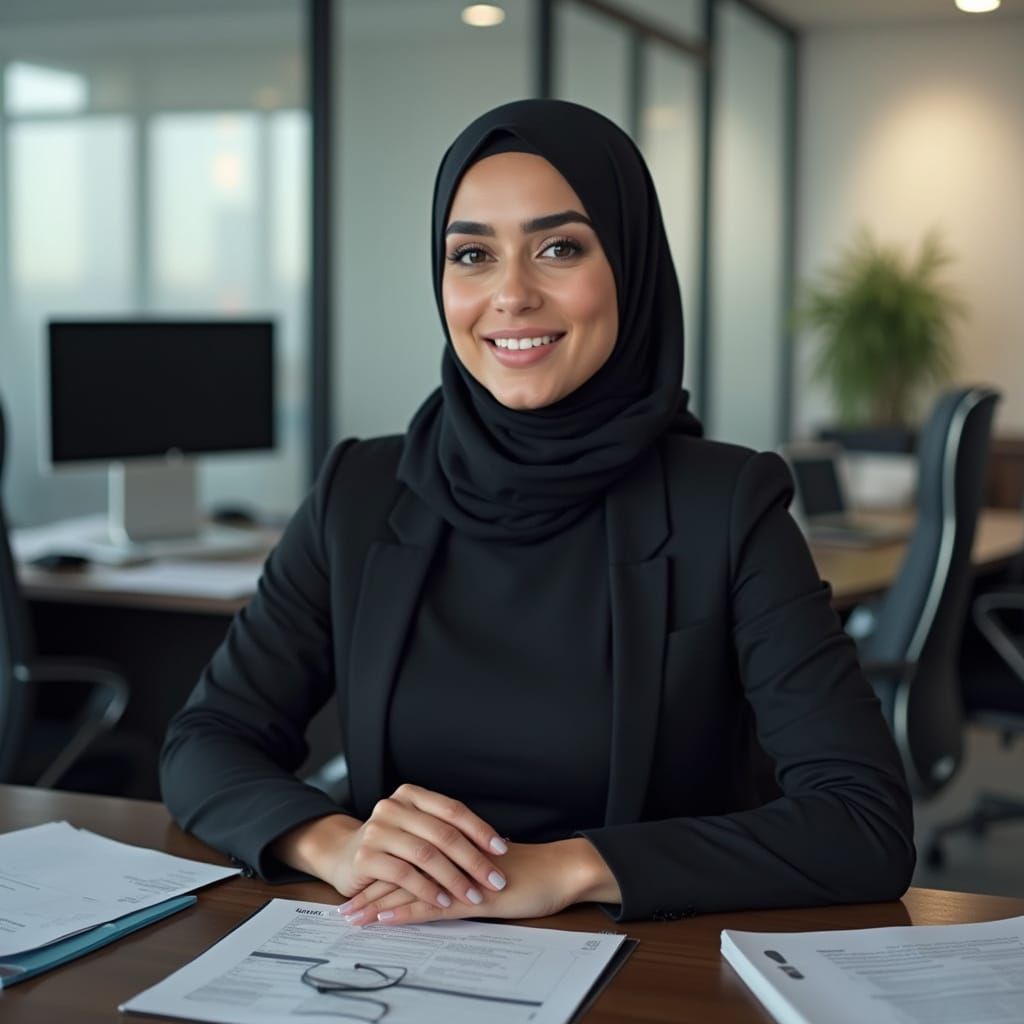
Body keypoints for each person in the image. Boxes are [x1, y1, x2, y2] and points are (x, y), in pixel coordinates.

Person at [161, 99, 915, 925]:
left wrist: (567, 868)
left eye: (559, 248)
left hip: (646, 962)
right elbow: (207, 738)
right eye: (473, 255)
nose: (511, 295)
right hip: (396, 950)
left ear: (629, 266)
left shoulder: (728, 507)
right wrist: (334, 844)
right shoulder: (361, 492)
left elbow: (862, 822)